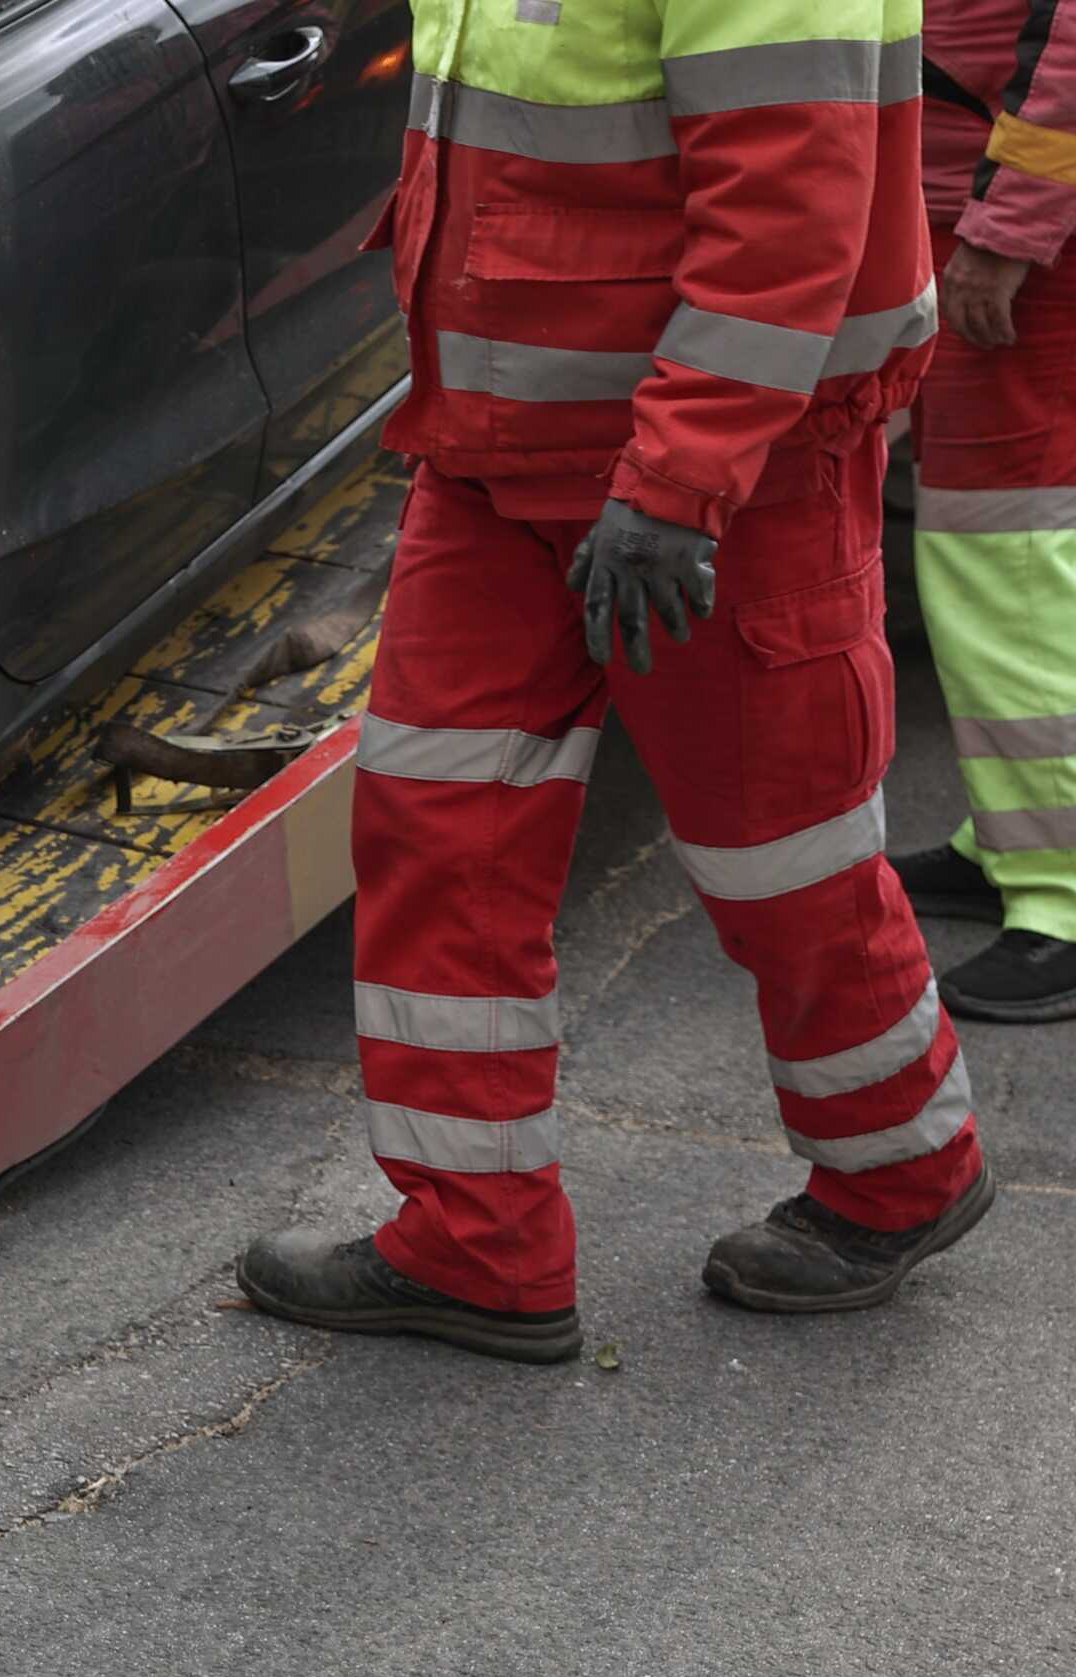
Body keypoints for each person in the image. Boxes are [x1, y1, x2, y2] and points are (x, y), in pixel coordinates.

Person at [235, 0, 993, 1363]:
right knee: (435, 828)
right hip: (494, 447)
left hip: (720, 482)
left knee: (784, 856)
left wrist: (680, 474)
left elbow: (789, 205)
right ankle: (475, 1240)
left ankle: (900, 1174)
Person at [889, 0, 1076, 1022]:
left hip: (1012, 214)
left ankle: (1062, 897)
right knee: (1018, 554)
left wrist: (1007, 226)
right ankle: (1011, 839)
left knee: (1003, 558)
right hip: (984, 193)